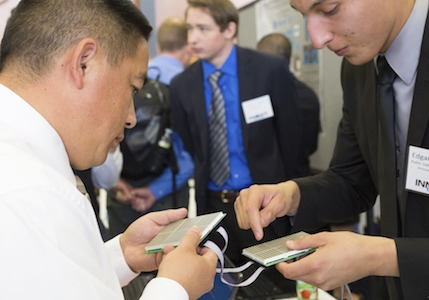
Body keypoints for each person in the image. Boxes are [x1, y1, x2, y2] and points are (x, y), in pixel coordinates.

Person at [0, 1, 217, 299]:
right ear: (83, 63)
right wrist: (175, 288)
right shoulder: (32, 193)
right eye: (132, 88)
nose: (131, 117)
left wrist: (120, 255)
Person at [234, 0, 429, 299]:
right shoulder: (358, 69)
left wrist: (381, 256)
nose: (317, 39)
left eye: (331, 9)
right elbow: (352, 179)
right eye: (304, 16)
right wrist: (292, 194)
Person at [170, 0, 304, 264]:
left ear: (229, 30)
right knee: (223, 281)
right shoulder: (181, 85)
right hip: (213, 207)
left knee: (275, 282)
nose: (192, 38)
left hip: (265, 203)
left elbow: (292, 139)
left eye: (203, 28)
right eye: (190, 28)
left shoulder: (270, 70)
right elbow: (190, 142)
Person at [107, 17, 194, 238]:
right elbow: (188, 158)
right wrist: (154, 192)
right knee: (168, 262)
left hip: (121, 191)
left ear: (158, 45)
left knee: (123, 262)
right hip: (167, 194)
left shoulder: (124, 76)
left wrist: (116, 182)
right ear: (189, 47)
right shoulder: (188, 86)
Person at [256, 32, 320, 177]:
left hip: (268, 185)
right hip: (301, 181)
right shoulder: (308, 95)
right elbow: (311, 146)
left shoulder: (259, 97)